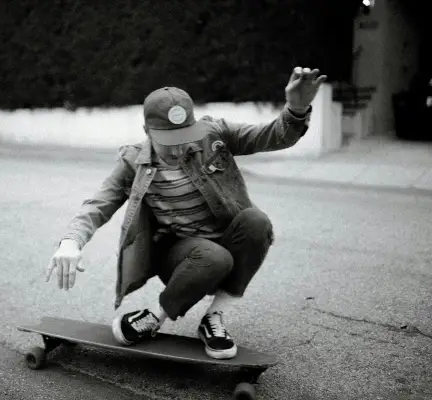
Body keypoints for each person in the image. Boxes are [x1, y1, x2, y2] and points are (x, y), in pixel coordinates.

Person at [45, 67, 326, 359]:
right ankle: (153, 317)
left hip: (226, 244)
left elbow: (271, 136)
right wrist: (71, 242)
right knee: (212, 256)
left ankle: (213, 319)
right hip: (179, 257)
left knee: (257, 222)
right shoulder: (133, 163)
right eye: (168, 141)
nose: (179, 148)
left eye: (185, 136)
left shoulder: (213, 134)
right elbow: (98, 204)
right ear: (147, 132)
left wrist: (296, 108)